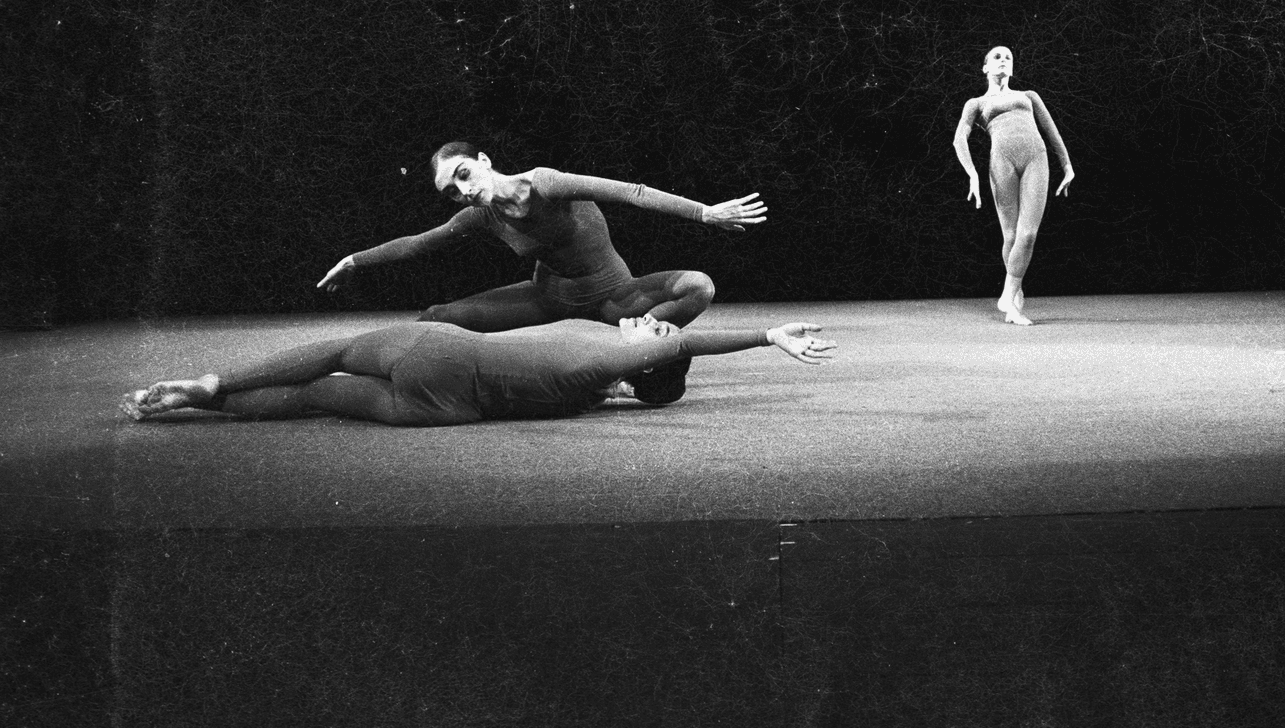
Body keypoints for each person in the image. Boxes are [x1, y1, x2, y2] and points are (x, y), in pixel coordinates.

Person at [317, 140, 766, 332]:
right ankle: (387, 366)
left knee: (698, 286)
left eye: (463, 174)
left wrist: (705, 213)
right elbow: (421, 243)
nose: (464, 190)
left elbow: (633, 193)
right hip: (548, 296)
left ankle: (647, 340)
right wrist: (356, 260)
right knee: (437, 315)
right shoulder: (481, 216)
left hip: (615, 297)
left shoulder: (546, 184)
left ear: (484, 160)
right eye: (451, 192)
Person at [119, 316, 836, 425]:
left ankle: (214, 385)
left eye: (656, 332)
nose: (652, 324)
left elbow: (680, 348)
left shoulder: (613, 357)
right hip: (438, 410)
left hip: (444, 352)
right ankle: (205, 403)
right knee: (315, 398)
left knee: (331, 358)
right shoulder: (589, 386)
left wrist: (766, 336)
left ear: (634, 370)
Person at [952, 45, 1075, 325]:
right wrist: (972, 173)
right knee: (1010, 236)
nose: (1003, 60)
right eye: (997, 57)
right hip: (1002, 162)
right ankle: (1014, 306)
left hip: (1036, 158)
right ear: (985, 67)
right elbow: (960, 139)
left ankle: (1008, 294)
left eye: (1008, 57)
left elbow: (1051, 131)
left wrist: (1067, 165)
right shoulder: (976, 103)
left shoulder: (1028, 96)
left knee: (1028, 235)